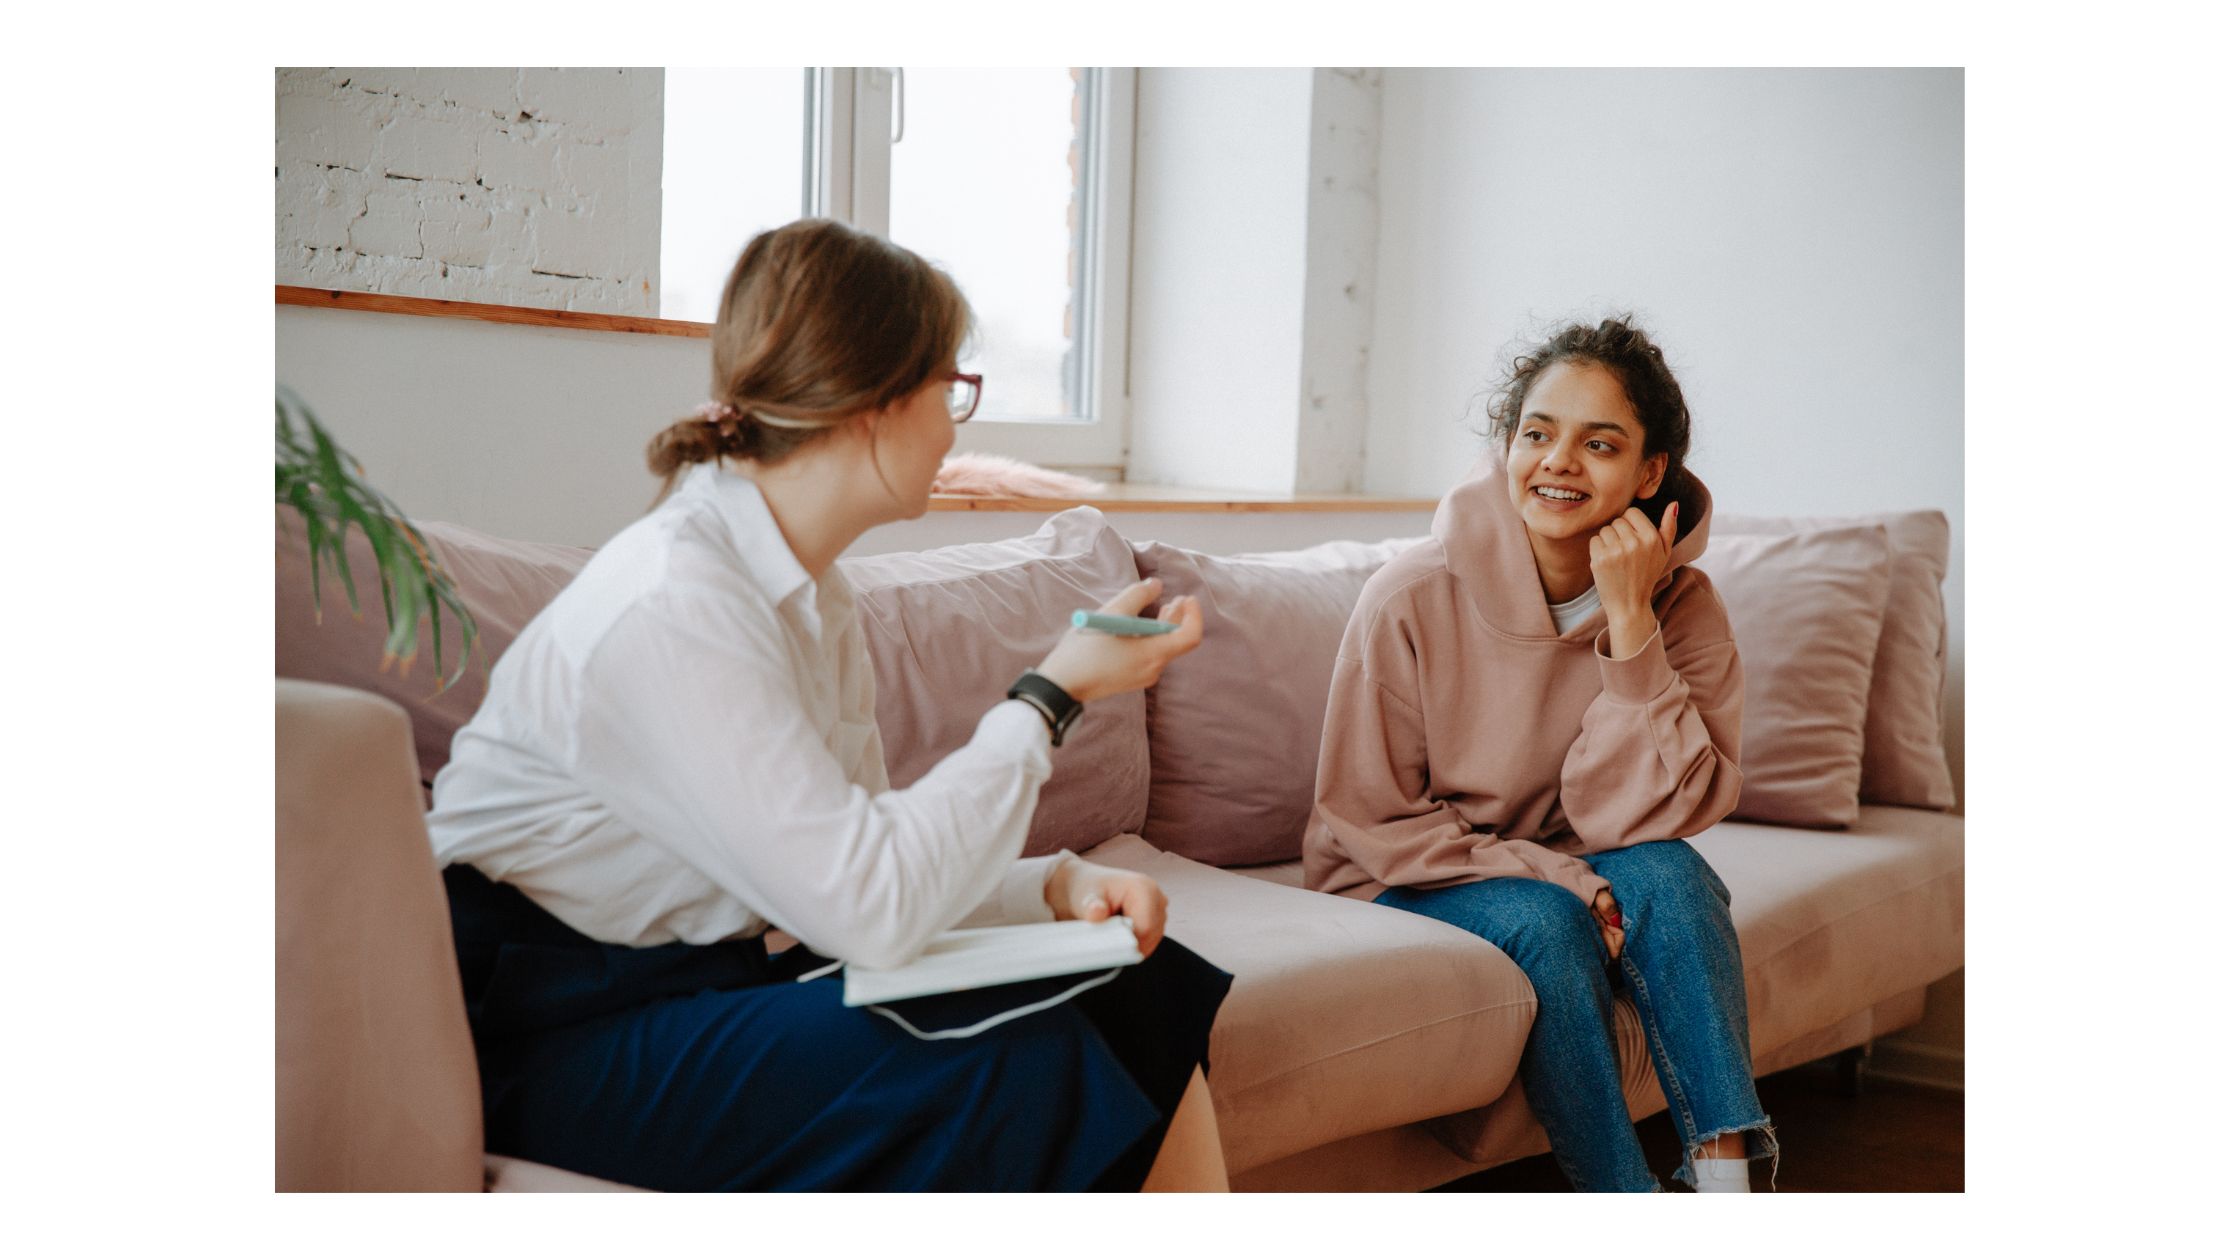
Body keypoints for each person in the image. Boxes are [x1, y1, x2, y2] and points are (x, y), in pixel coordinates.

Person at [425, 218, 1232, 1192]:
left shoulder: (813, 594)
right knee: (1009, 1059)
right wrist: (1049, 695)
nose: (954, 422)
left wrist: (1049, 890)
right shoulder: (677, 600)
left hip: (692, 987)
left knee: (1138, 981)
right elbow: (870, 909)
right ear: (872, 403)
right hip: (544, 1034)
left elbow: (857, 854)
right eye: (953, 387)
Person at [1303, 316, 1774, 1192]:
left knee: (1673, 874)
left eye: (1599, 443)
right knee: (1550, 925)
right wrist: (1563, 878)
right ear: (1506, 447)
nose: (1559, 462)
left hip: (1565, 859)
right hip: (1403, 874)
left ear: (1650, 472)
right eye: (1537, 434)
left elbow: (1655, 818)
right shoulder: (1408, 596)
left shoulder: (1685, 608)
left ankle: (1726, 1184)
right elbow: (1368, 816)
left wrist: (1631, 628)